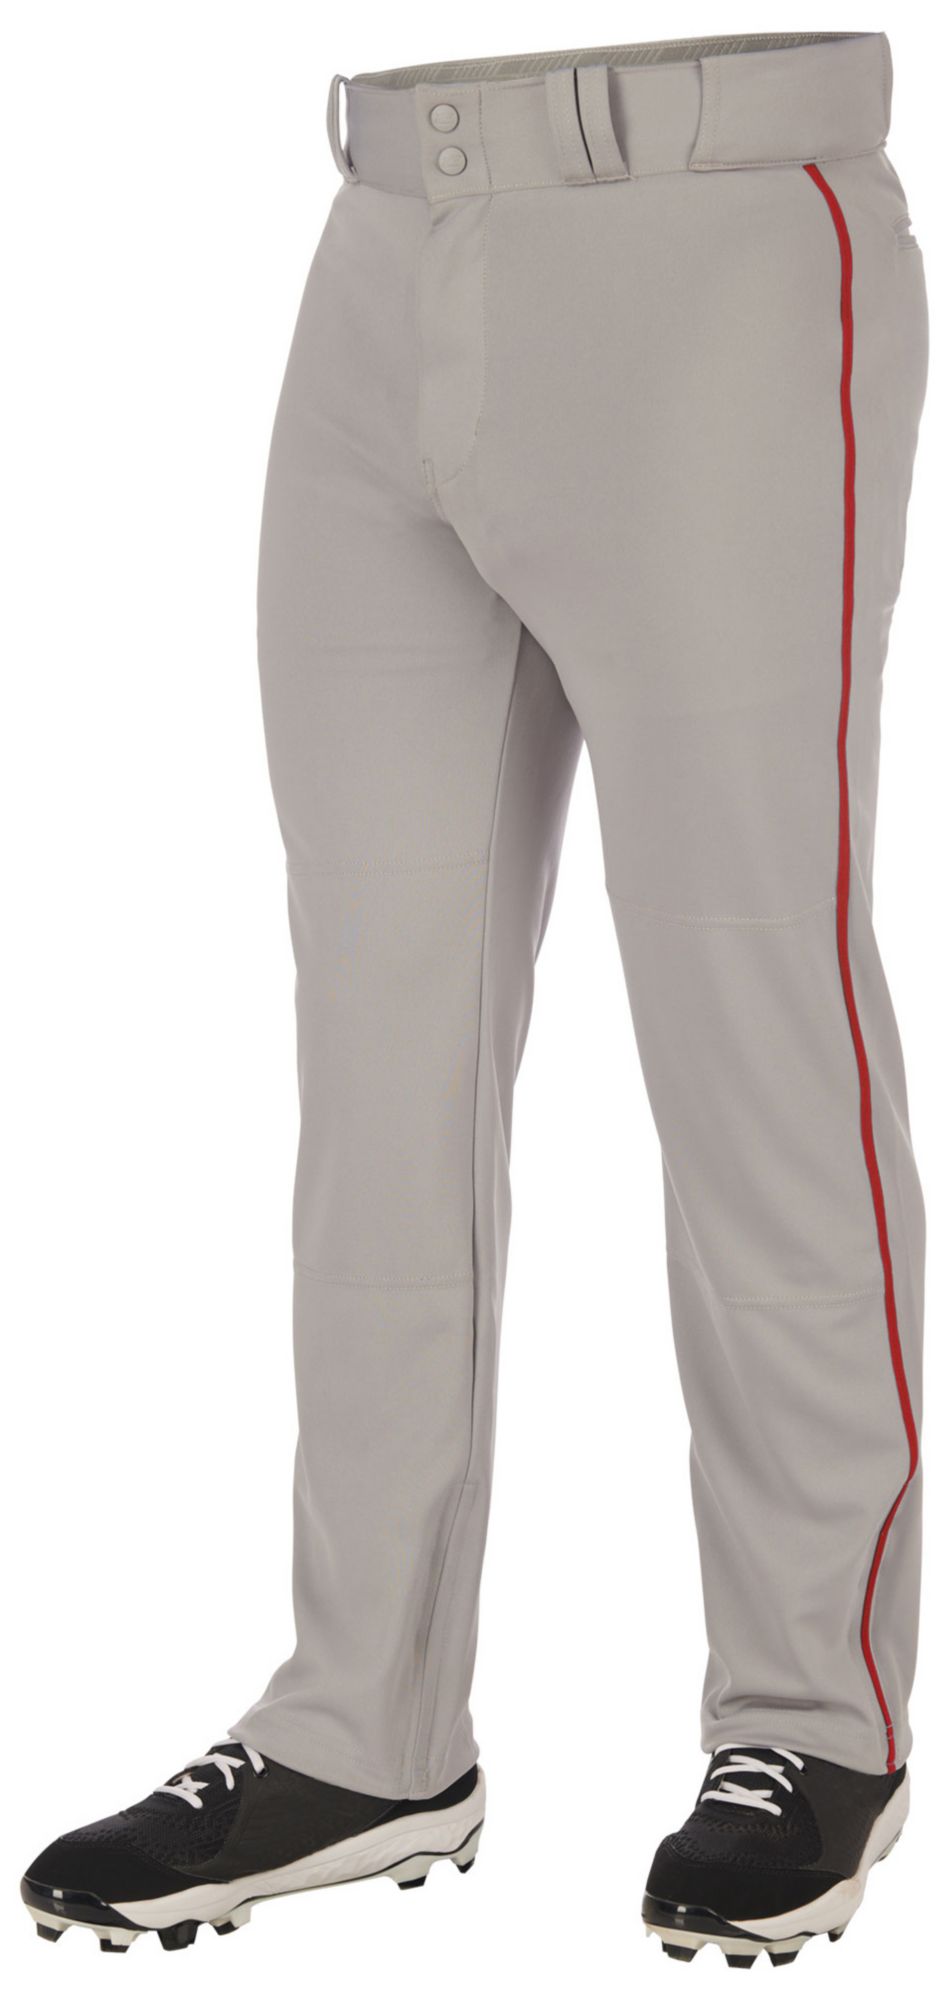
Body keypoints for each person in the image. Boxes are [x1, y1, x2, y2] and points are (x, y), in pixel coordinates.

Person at [21, 30, 927, 1968]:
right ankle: (365, 1728)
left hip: (708, 238)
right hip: (378, 239)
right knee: (378, 1055)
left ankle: (812, 1715)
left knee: (748, 1006)